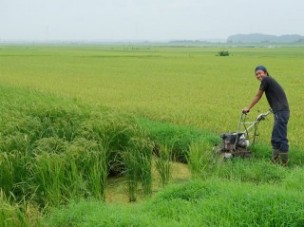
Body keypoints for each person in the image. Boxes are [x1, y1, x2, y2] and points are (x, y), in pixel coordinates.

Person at [242, 65, 290, 165]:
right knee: (275, 137)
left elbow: (258, 96)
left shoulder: (266, 79)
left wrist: (248, 108)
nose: (259, 76)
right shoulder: (270, 80)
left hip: (281, 112)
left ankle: (284, 162)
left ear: (266, 72)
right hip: (280, 111)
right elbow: (277, 95)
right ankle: (274, 161)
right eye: (256, 74)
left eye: (260, 73)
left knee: (281, 137)